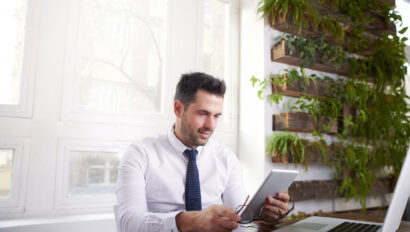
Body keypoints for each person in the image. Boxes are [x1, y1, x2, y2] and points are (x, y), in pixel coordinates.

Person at [116, 72, 290, 232]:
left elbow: (242, 221)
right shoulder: (140, 154)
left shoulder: (226, 158)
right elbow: (128, 222)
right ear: (178, 109)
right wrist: (192, 221)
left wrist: (266, 217)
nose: (210, 125)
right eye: (203, 113)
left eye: (216, 116)